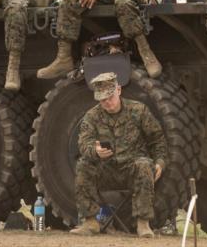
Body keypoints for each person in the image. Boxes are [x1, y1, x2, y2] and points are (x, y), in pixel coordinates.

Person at [70, 72, 166, 237]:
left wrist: (160, 162)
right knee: (84, 165)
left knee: (144, 164)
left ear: (119, 90)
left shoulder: (139, 111)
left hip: (132, 169)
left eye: (110, 97)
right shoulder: (92, 116)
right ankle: (90, 222)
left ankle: (143, 224)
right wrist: (96, 151)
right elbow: (83, 145)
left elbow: (157, 140)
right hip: (105, 171)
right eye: (102, 100)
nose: (107, 103)